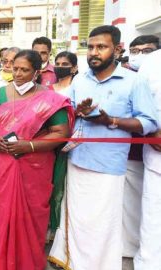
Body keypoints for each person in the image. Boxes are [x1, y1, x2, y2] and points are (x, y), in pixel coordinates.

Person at [48, 25, 158, 270]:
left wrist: (111, 121)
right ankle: (73, 262)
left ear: (117, 49)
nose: (94, 52)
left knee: (101, 225)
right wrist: (78, 112)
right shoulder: (80, 80)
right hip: (78, 160)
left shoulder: (133, 81)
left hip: (109, 166)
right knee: (77, 219)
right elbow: (70, 112)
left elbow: (149, 123)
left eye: (102, 47)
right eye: (91, 47)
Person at [0, 49, 74, 270]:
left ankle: (29, 263)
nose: (18, 74)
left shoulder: (51, 98)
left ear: (37, 71)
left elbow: (61, 132)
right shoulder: (0, 94)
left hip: (35, 166)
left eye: (24, 70)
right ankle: (1, 262)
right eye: (15, 68)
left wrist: (29, 145)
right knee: (4, 213)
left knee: (32, 215)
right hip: (4, 163)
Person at [122, 34, 159, 259]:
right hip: (140, 152)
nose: (141, 56)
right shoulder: (135, 73)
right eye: (136, 50)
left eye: (147, 50)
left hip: (146, 153)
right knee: (145, 210)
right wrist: (152, 131)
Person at [46, 51, 78, 242]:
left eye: (65, 64)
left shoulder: (78, 87)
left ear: (74, 68)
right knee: (51, 186)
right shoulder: (48, 89)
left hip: (72, 145)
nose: (60, 66)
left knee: (64, 189)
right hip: (50, 144)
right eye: (57, 63)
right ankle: (50, 226)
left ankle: (61, 230)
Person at [134, 49, 161, 270]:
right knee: (154, 216)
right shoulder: (153, 62)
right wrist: (150, 132)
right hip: (157, 153)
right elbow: (139, 106)